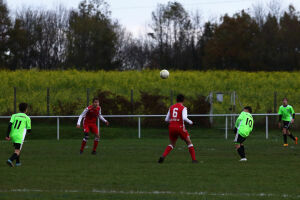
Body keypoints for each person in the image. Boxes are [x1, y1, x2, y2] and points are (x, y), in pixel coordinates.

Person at [158, 94, 198, 163]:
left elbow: (166, 119)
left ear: (176, 100)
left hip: (171, 127)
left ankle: (163, 156)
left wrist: (173, 120)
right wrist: (191, 122)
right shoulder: (183, 108)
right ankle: (194, 160)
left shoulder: (171, 107)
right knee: (189, 142)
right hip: (180, 127)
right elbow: (184, 118)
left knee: (172, 144)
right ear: (183, 100)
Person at [5, 103, 31, 167]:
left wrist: (7, 135)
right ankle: (10, 160)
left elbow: (9, 125)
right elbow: (29, 130)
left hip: (12, 135)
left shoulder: (14, 115)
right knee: (17, 151)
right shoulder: (27, 118)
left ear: (19, 109)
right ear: (26, 109)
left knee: (16, 148)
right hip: (19, 136)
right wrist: (27, 129)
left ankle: (18, 163)